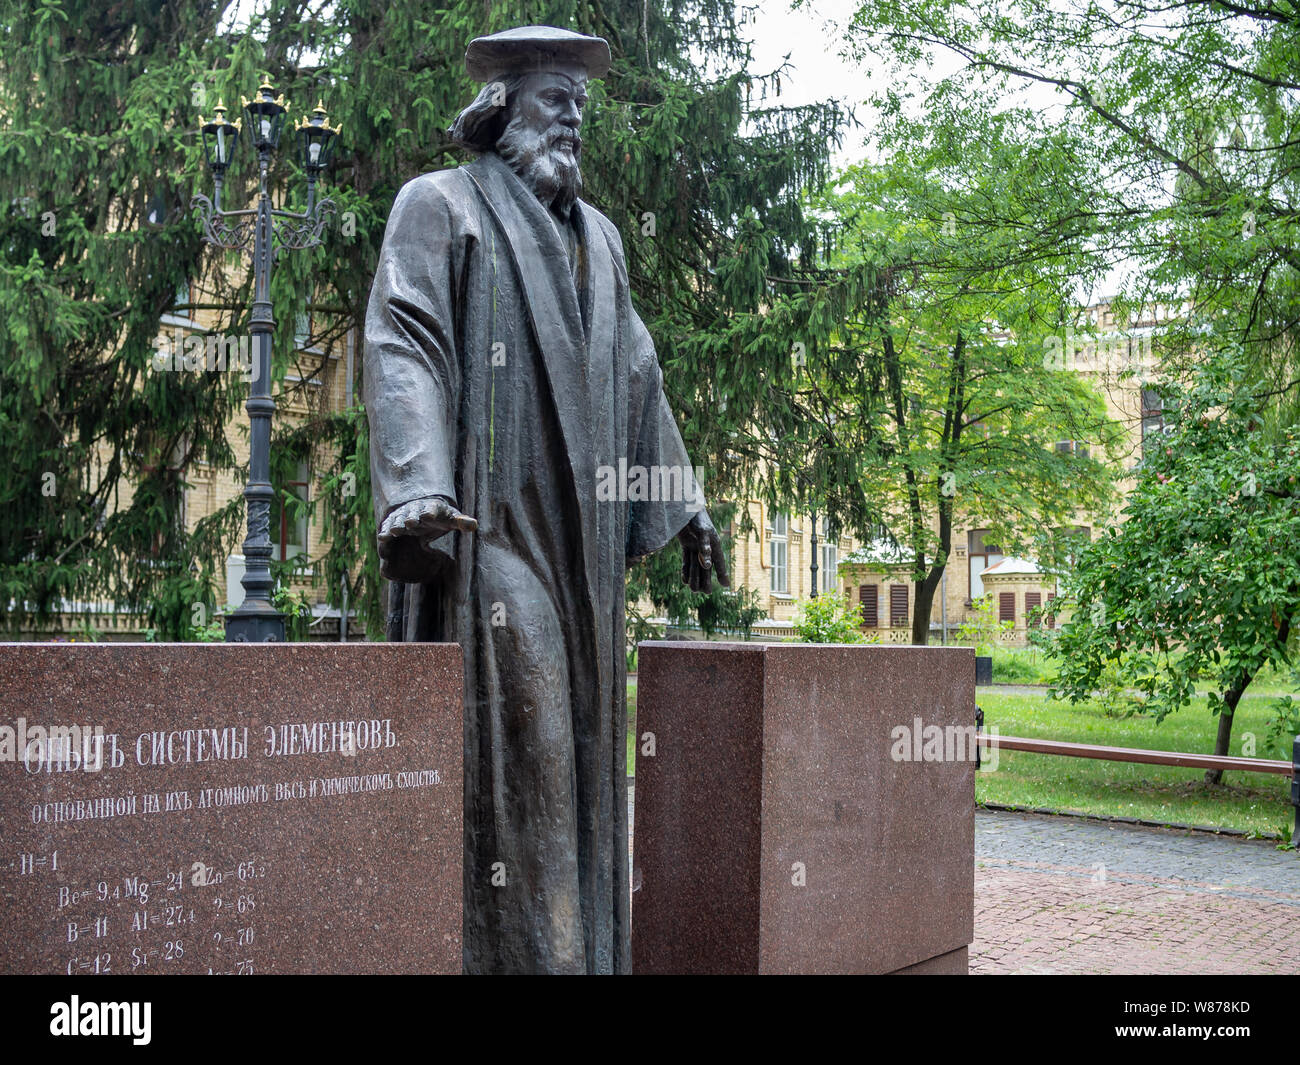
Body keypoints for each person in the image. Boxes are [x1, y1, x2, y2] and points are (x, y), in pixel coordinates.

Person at [364, 25, 728, 974]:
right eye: (553, 95)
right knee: (529, 745)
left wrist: (679, 501)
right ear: (503, 108)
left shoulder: (597, 238)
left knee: (580, 763)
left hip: (587, 551)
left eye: (579, 99)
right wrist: (418, 487)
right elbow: (404, 341)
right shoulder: (440, 207)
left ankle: (582, 955)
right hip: (491, 538)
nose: (573, 113)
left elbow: (637, 369)